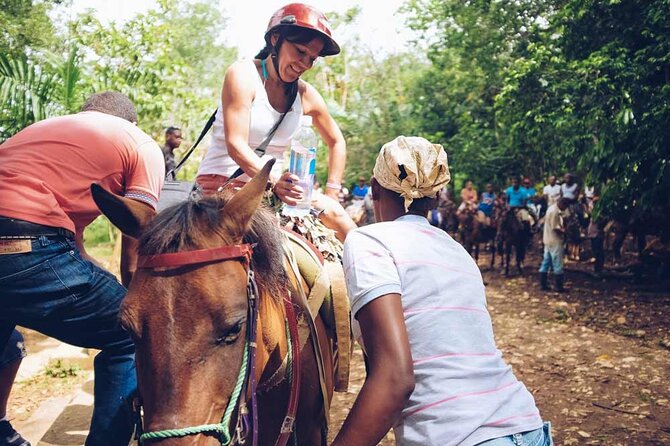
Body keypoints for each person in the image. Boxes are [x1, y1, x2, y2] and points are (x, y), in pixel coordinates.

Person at [335, 136, 552, 446]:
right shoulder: (457, 250)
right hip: (527, 427)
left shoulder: (366, 241)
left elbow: (395, 379)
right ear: (435, 197)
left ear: (374, 189)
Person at [0, 91, 165, 446]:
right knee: (128, 334)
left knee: (6, 338)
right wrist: (136, 306)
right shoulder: (140, 143)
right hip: (29, 241)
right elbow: (135, 238)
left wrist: (104, 286)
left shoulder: (45, 130)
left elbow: (73, 250)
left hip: (28, 241)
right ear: (132, 122)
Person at [195, 3, 345, 207]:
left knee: (338, 216)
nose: (305, 64)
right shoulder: (243, 74)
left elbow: (336, 141)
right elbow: (236, 145)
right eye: (300, 51)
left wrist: (332, 194)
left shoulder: (306, 94)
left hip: (277, 192)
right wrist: (273, 181)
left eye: (312, 59)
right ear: (276, 39)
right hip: (223, 184)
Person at [539, 197, 570, 292]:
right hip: (555, 240)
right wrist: (565, 231)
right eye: (565, 207)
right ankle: (559, 287)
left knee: (546, 262)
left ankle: (543, 285)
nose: (565, 209)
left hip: (548, 239)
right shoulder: (554, 212)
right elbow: (555, 228)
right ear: (562, 204)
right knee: (558, 263)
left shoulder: (552, 208)